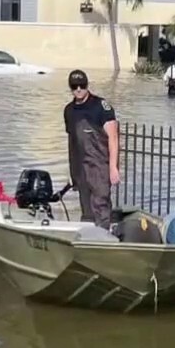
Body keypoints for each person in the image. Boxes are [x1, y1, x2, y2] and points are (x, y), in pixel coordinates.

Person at [63, 70, 120, 231]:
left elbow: (113, 137)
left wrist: (113, 167)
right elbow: (71, 141)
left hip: (99, 165)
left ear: (87, 85)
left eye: (82, 86)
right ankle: (87, 240)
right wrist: (72, 171)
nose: (79, 89)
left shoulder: (101, 107)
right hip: (81, 167)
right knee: (86, 210)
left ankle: (103, 239)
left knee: (101, 205)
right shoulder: (69, 110)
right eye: (75, 87)